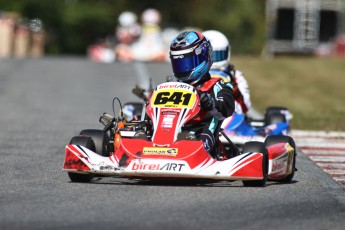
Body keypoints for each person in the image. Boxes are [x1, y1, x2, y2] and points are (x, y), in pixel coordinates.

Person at [169, 31, 235, 156]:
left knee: (200, 134)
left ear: (203, 57)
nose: (182, 68)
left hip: (201, 134)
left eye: (186, 62)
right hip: (171, 131)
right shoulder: (172, 88)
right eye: (178, 63)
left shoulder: (218, 86)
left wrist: (210, 102)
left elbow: (227, 109)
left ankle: (193, 151)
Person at [203, 30, 252, 116]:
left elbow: (246, 106)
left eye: (216, 55)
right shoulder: (194, 78)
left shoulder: (236, 76)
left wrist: (235, 90)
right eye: (208, 55)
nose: (212, 60)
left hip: (230, 119)